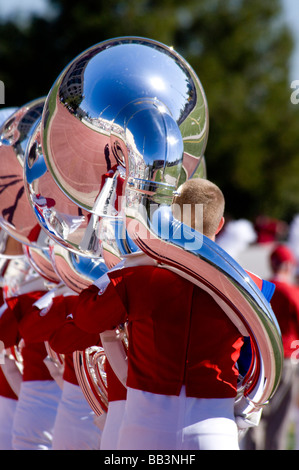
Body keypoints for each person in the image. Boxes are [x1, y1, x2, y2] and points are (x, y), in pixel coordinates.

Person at [73, 178, 253, 450]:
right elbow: (263, 361)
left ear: (172, 220)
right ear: (219, 224)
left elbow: (86, 318)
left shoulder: (137, 277)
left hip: (145, 427)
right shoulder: (252, 287)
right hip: (215, 427)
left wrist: (110, 272)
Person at [243, 244, 299, 450]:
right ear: (287, 265)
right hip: (286, 358)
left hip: (260, 358)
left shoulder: (260, 288)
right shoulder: (292, 291)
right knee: (278, 423)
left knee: (255, 414)